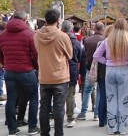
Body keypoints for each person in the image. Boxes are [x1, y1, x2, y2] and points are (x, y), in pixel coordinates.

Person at [93, 18, 128, 135]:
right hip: (124, 71)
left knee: (111, 99)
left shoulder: (108, 40)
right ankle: (122, 128)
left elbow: (96, 55)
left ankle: (112, 128)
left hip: (110, 71)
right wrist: (127, 63)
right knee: (124, 100)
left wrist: (106, 61)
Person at [0, 10, 40, 136]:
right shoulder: (29, 34)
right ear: (24, 20)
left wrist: (5, 63)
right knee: (33, 97)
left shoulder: (3, 35)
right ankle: (32, 127)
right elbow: (35, 54)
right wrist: (35, 66)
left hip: (9, 71)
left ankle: (12, 129)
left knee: (11, 99)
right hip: (26, 71)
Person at [34, 8, 73, 136]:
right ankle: (58, 133)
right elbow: (70, 55)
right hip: (60, 76)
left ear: (46, 20)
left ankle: (44, 133)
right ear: (57, 21)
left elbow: (37, 50)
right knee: (59, 107)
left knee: (44, 107)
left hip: (44, 75)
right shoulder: (63, 36)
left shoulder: (37, 35)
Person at [77, 22, 105, 121]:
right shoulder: (104, 40)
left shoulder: (87, 40)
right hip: (102, 68)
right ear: (102, 29)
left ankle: (83, 112)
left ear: (95, 29)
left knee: (87, 90)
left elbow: (83, 54)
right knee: (99, 92)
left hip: (90, 68)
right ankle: (96, 113)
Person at [61, 20, 82, 128]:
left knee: (58, 95)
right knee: (70, 95)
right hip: (72, 70)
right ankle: (70, 117)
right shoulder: (76, 42)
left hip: (59, 69)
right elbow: (80, 58)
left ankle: (57, 118)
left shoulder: (58, 40)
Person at [97, 25, 113, 127]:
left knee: (102, 96)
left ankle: (101, 120)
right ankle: (108, 118)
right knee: (110, 96)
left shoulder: (101, 43)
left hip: (101, 72)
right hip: (110, 71)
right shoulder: (113, 43)